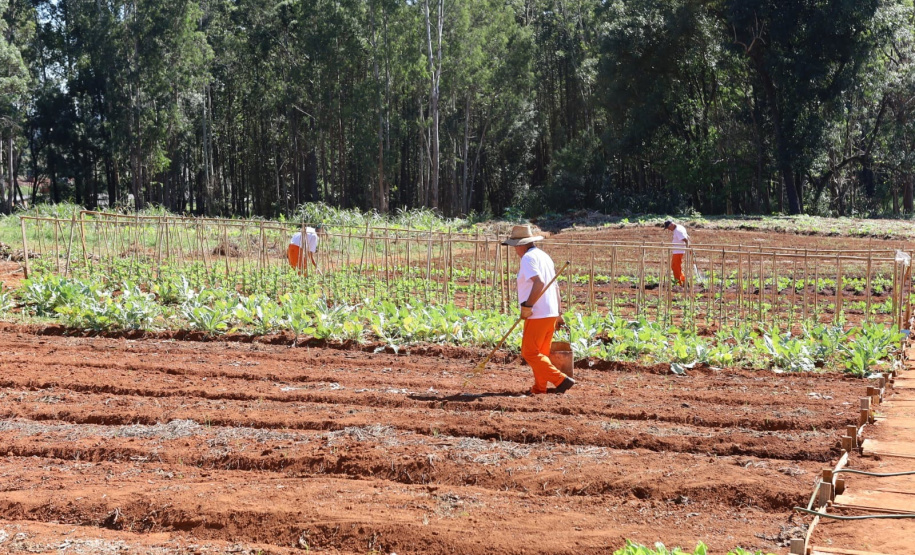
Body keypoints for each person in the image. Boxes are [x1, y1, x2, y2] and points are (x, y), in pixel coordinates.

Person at [502, 224, 575, 395]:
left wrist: (527, 306)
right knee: (541, 353)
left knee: (529, 353)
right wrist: (558, 313)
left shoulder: (527, 258)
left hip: (538, 313)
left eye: (514, 246)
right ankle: (539, 388)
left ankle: (560, 380)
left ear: (521, 244)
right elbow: (555, 286)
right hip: (550, 312)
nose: (514, 250)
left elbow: (540, 282)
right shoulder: (544, 256)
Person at [663, 220, 690, 286]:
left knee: (675, 267)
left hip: (678, 251)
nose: (669, 230)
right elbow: (688, 236)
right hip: (677, 250)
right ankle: (683, 280)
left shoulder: (678, 230)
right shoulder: (679, 227)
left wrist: (689, 248)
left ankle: (678, 283)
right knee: (675, 266)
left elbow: (685, 239)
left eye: (668, 228)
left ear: (671, 225)